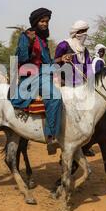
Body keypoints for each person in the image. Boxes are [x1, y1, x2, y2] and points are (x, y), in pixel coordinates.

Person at [11, 8, 69, 155]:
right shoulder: (26, 36)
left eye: (47, 21)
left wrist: (61, 59)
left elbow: (48, 62)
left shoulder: (43, 40)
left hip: (44, 73)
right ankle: (51, 137)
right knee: (55, 97)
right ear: (36, 22)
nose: (45, 24)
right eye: (42, 21)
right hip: (31, 75)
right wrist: (30, 43)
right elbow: (23, 59)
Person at [55, 20, 92, 86]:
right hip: (65, 84)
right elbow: (54, 63)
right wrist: (62, 58)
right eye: (82, 31)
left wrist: (89, 79)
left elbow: (88, 67)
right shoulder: (64, 45)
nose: (85, 34)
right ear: (76, 32)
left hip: (82, 85)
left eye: (86, 31)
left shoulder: (85, 50)